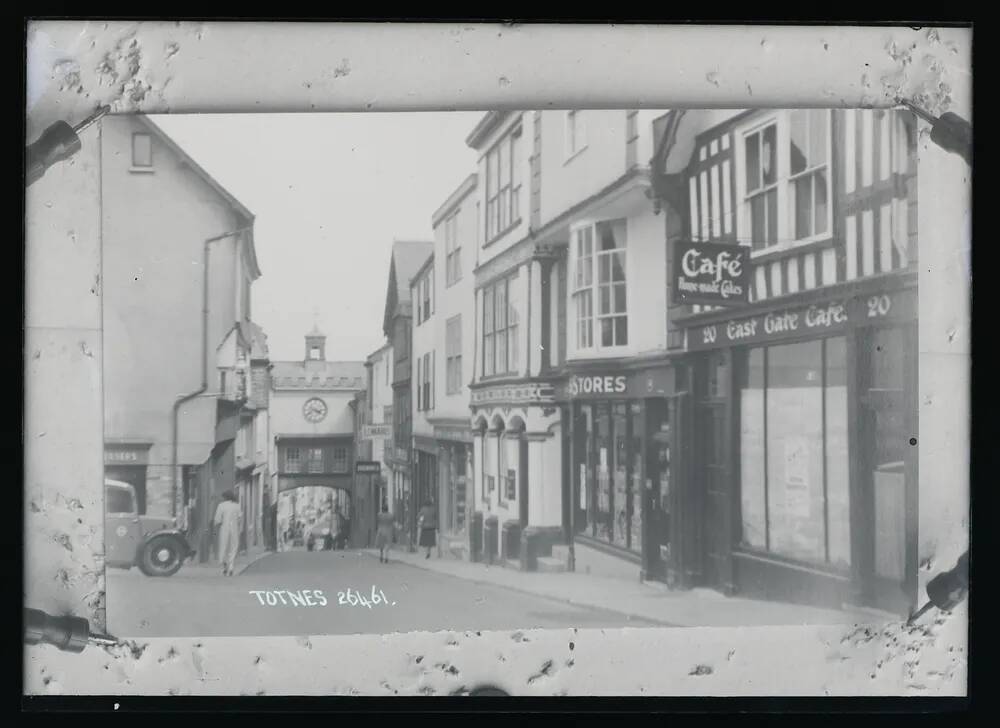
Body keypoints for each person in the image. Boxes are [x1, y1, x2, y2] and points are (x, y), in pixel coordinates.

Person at [213, 490, 242, 576]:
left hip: (224, 528)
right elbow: (240, 518)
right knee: (233, 546)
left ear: (225, 497)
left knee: (223, 546)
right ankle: (231, 565)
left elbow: (217, 519)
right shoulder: (237, 506)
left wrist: (216, 526)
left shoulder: (221, 506)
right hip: (234, 528)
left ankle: (224, 563)